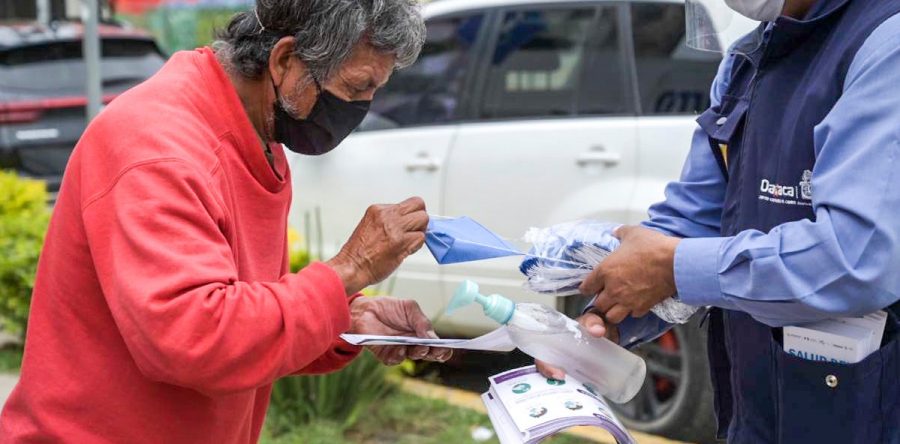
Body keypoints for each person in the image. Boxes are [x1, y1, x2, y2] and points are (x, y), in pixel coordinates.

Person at [0, 1, 452, 442]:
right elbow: (195, 339)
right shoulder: (158, 149)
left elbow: (241, 313)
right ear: (285, 60)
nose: (362, 108)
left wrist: (347, 316)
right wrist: (350, 268)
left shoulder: (257, 129)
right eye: (355, 89)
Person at [539, 0, 900, 442]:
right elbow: (696, 217)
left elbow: (857, 257)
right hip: (758, 406)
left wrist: (672, 267)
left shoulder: (885, 42)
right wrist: (615, 312)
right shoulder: (751, 58)